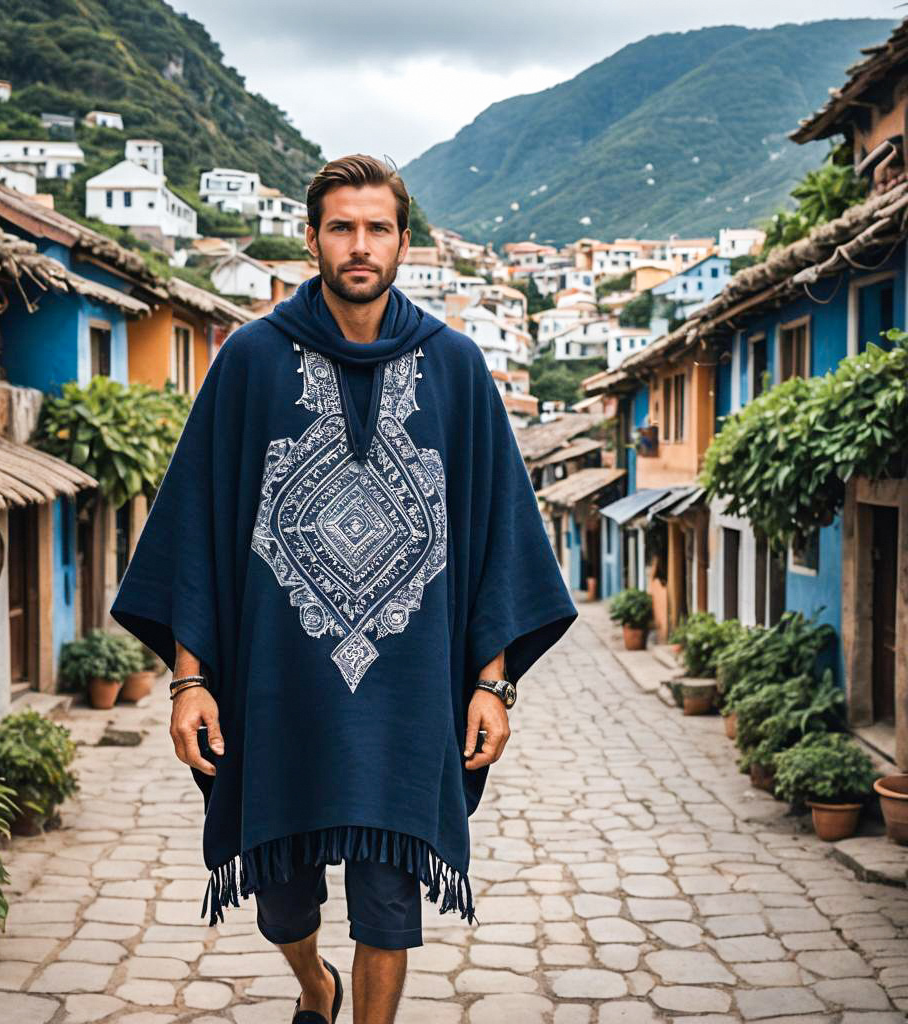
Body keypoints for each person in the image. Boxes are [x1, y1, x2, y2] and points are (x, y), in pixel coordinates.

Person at [110, 154, 577, 1024]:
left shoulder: (458, 369)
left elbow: (499, 542)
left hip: (406, 699)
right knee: (282, 904)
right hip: (276, 690)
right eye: (341, 227)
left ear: (405, 241)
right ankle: (314, 987)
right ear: (313, 238)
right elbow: (199, 530)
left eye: (376, 228)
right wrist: (189, 680)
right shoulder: (249, 361)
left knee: (392, 906)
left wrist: (492, 683)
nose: (359, 246)